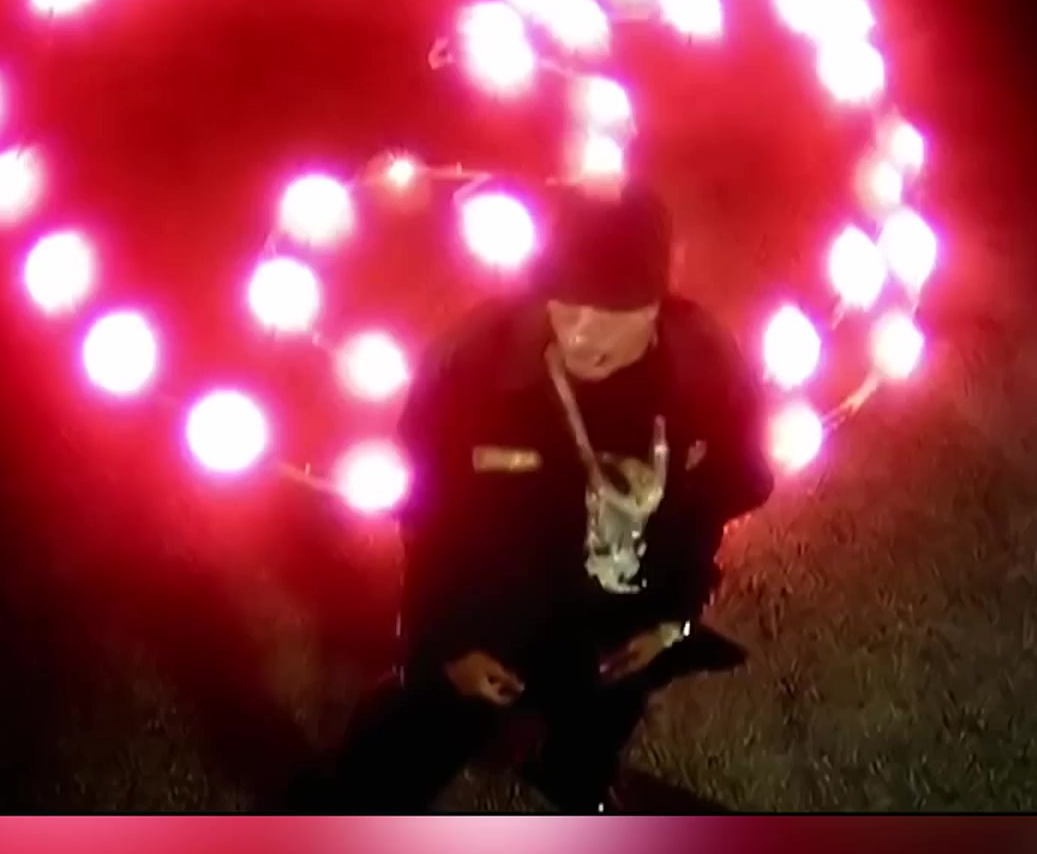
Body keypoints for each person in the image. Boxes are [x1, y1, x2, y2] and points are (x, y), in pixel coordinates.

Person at [320, 182, 776, 812]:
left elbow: (716, 498)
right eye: (566, 303)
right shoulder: (474, 365)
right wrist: (441, 640)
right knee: (414, 741)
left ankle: (577, 778)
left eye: (609, 308)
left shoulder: (704, 368)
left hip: (619, 620)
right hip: (491, 610)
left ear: (656, 300)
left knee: (596, 725)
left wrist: (674, 618)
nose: (581, 334)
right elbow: (426, 514)